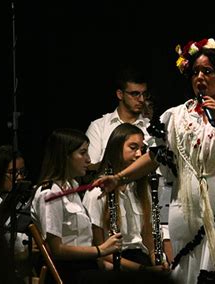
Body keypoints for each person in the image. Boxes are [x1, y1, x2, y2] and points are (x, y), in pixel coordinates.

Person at [93, 38, 215, 283]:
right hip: (188, 212)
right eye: (195, 72)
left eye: (208, 71)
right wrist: (118, 178)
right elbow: (154, 156)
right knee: (190, 274)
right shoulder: (175, 116)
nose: (200, 77)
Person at [30, 128, 122, 284]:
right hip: (67, 271)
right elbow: (56, 250)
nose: (88, 159)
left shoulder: (71, 186)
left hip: (86, 266)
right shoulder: (49, 193)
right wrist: (101, 250)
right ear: (65, 156)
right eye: (82, 153)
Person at [82, 123, 169, 272]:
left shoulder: (141, 188)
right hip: (115, 262)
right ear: (116, 150)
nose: (139, 155)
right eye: (133, 148)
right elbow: (99, 250)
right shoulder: (97, 193)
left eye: (142, 149)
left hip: (140, 257)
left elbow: (148, 238)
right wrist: (142, 270)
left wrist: (157, 260)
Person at [85, 64, 153, 165]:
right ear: (120, 94)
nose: (142, 99)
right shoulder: (99, 127)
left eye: (144, 94)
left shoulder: (151, 128)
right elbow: (90, 168)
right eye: (135, 94)